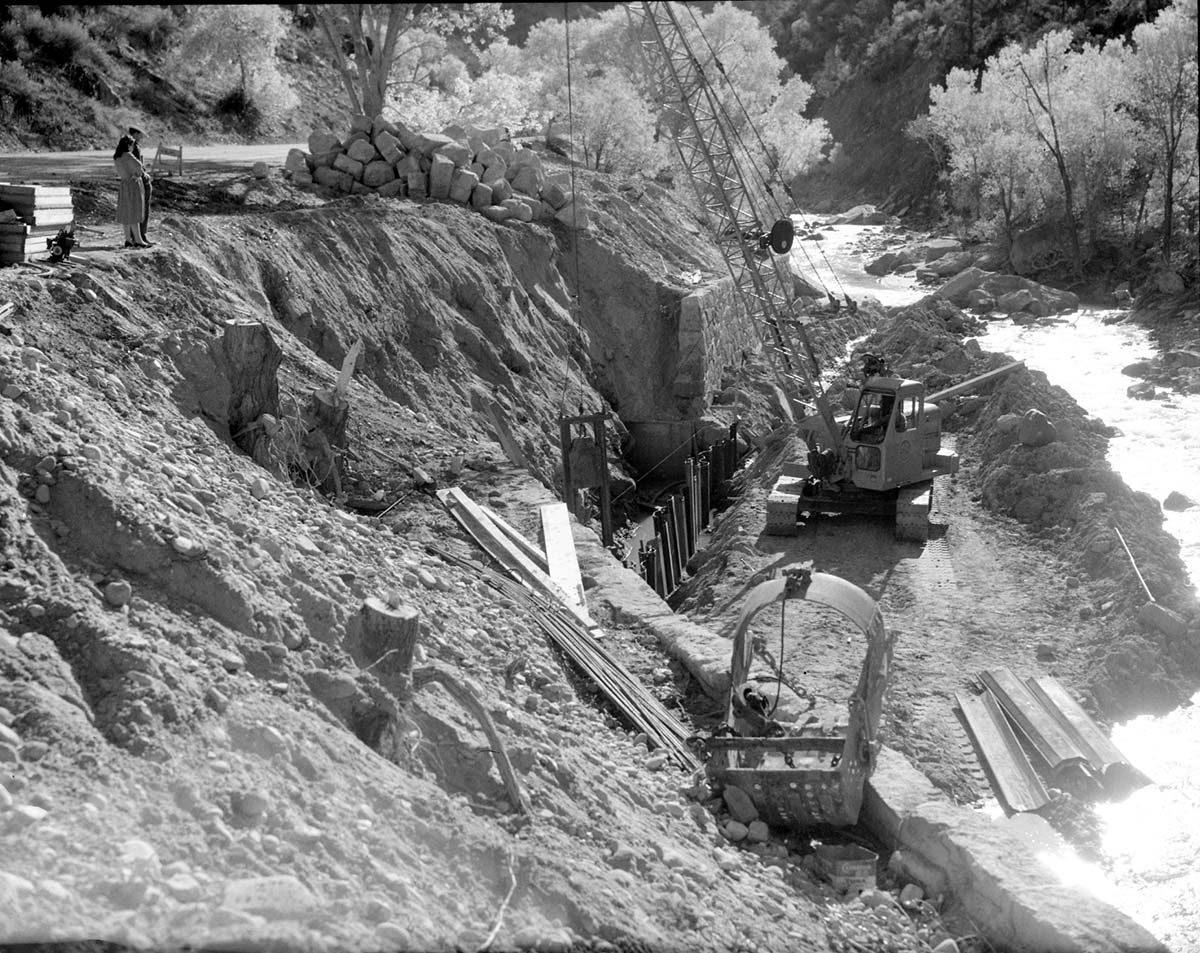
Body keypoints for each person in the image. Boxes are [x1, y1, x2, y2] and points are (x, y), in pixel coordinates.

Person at [113, 128, 151, 248]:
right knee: (135, 212)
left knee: (126, 213)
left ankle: (128, 239)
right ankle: (139, 240)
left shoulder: (117, 157)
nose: (133, 148)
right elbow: (139, 168)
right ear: (128, 145)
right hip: (133, 185)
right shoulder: (128, 155)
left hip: (124, 185)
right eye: (132, 145)